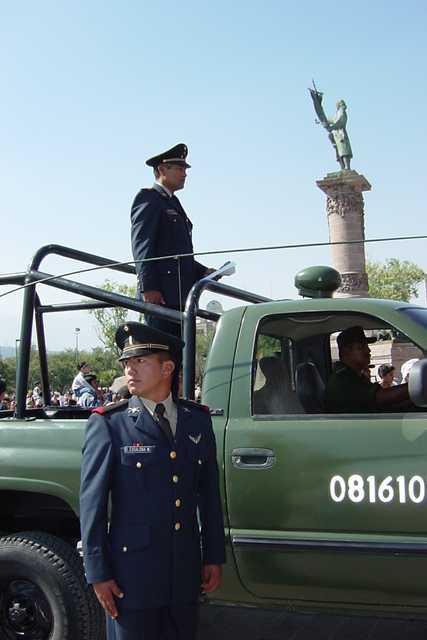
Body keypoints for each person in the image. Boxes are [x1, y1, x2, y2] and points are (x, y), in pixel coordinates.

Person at [80, 322, 225, 640]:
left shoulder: (196, 419)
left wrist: (214, 554)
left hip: (184, 573)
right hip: (133, 577)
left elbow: (208, 493)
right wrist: (97, 573)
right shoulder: (110, 424)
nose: (129, 370)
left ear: (167, 367)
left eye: (140, 361)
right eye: (126, 363)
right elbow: (92, 506)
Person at [130, 143, 214, 336]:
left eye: (184, 169)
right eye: (179, 168)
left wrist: (203, 272)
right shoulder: (148, 199)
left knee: (178, 360)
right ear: (161, 169)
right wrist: (148, 288)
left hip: (179, 295)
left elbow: (175, 253)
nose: (184, 174)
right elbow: (143, 246)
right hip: (161, 297)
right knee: (164, 355)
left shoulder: (173, 202)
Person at [325, 326, 412, 413]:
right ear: (346, 351)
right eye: (362, 347)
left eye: (366, 346)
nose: (368, 350)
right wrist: (416, 385)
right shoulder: (342, 379)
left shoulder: (356, 376)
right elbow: (381, 397)